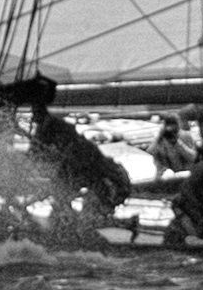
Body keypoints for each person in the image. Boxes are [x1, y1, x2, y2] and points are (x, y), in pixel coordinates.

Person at [14, 77, 131, 218]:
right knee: (54, 178)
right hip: (89, 169)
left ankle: (66, 218)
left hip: (94, 173)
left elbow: (60, 185)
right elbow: (60, 185)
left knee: (58, 184)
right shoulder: (79, 157)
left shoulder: (85, 166)